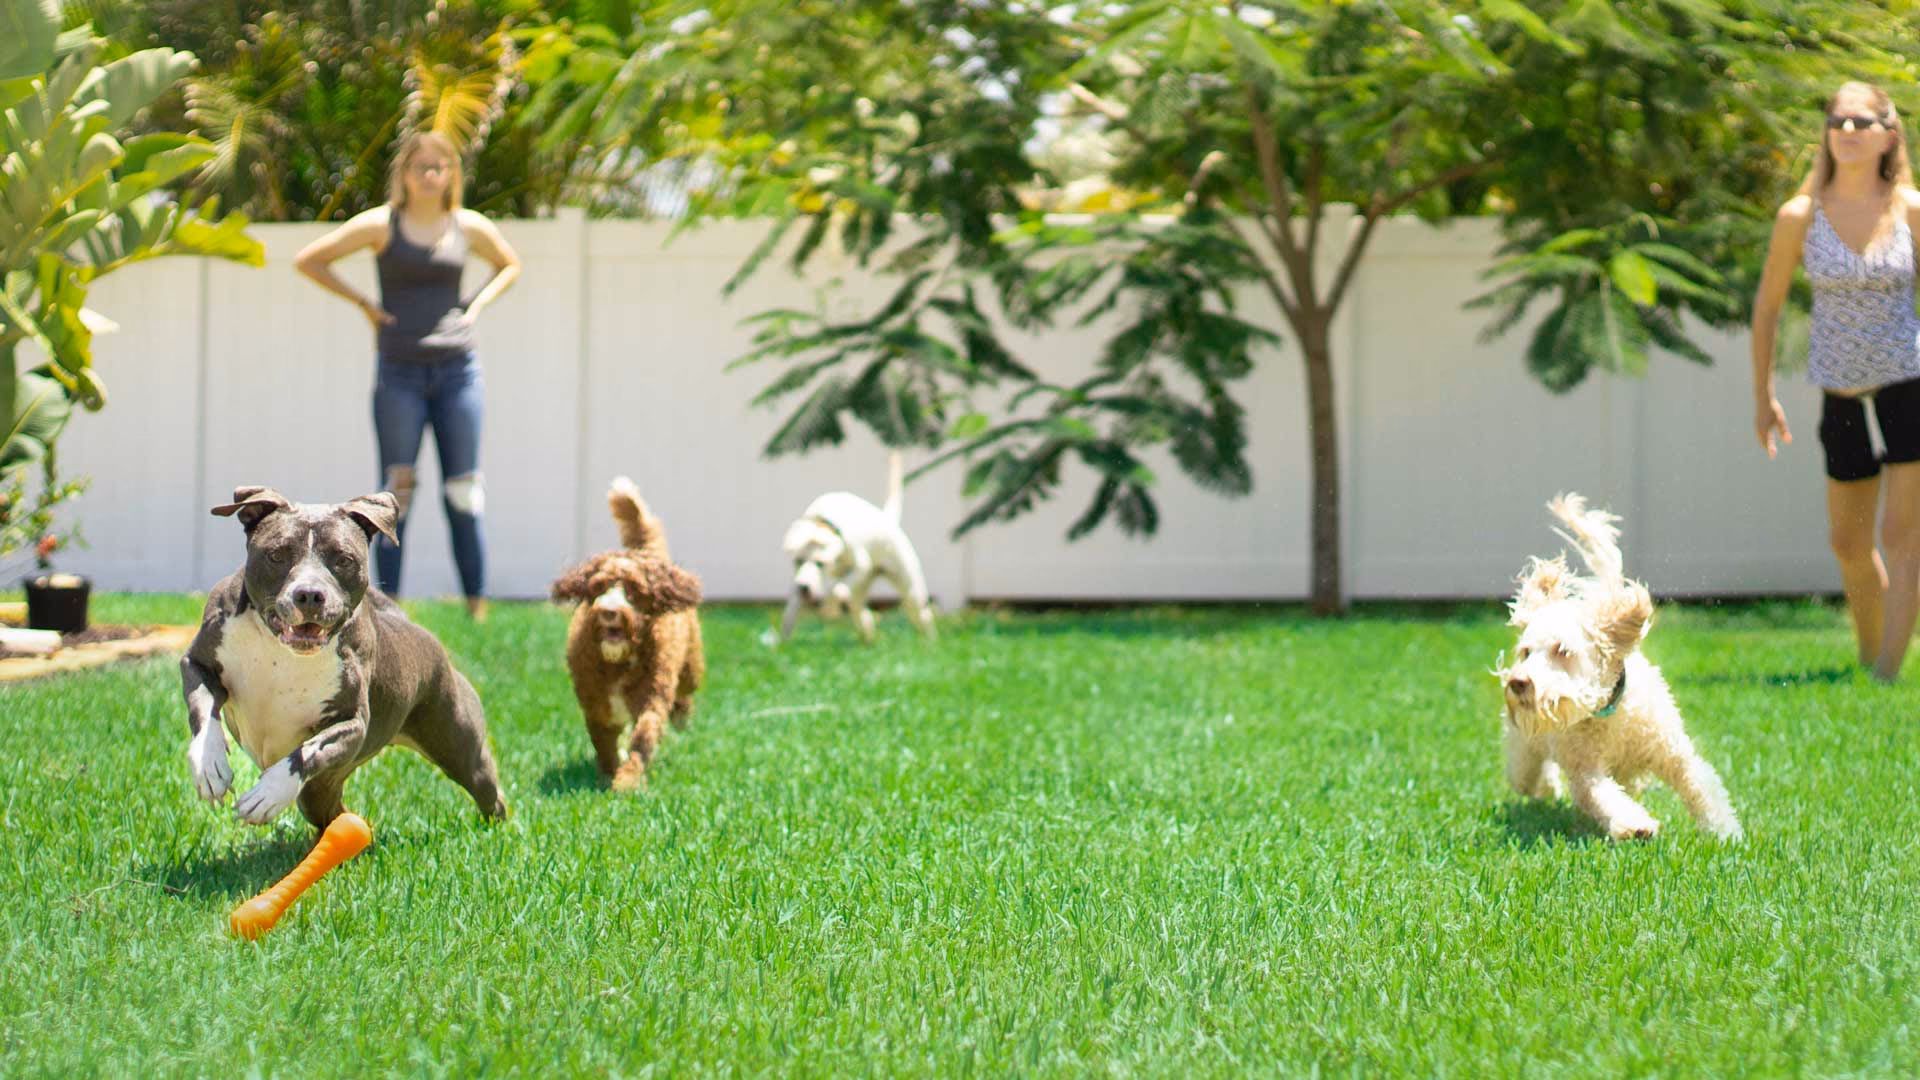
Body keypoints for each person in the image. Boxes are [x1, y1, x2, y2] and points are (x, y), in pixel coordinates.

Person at [293, 131, 521, 620]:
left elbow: (509, 265)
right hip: (399, 373)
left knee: (464, 492)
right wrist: (364, 304)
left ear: (452, 174)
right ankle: (388, 610)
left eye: (440, 166)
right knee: (396, 495)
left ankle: (477, 608)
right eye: (421, 166)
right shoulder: (382, 225)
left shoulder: (466, 226)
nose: (431, 175)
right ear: (405, 174)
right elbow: (310, 260)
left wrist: (476, 306)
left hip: (458, 372)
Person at [1753, 81, 1920, 680]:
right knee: (1848, 544)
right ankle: (1870, 654)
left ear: (1888, 135)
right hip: (1840, 394)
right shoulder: (1800, 216)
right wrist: (1764, 397)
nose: (1847, 131)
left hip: (1907, 387)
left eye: (1861, 122)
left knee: (1903, 538)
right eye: (1837, 121)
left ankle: (1887, 675)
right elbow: (1768, 307)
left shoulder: (1909, 209)